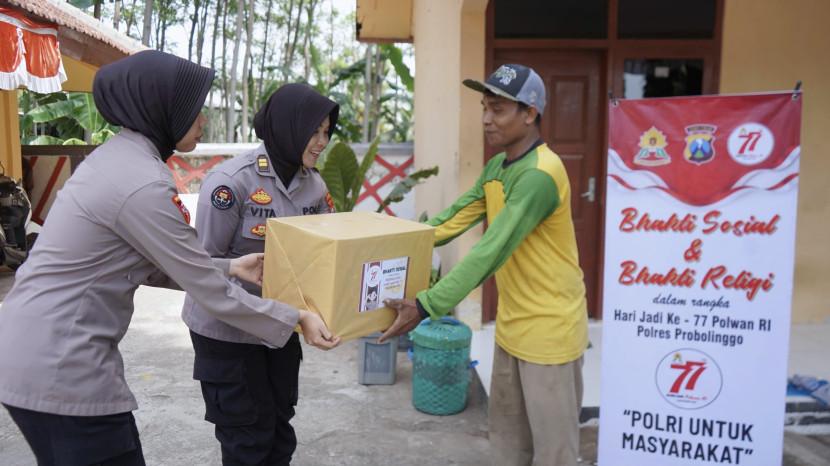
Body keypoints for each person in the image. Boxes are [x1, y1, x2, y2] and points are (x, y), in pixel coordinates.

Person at [0, 50, 338, 466]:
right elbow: (210, 292)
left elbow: (152, 263)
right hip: (61, 362)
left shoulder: (118, 160)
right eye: (194, 109)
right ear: (162, 107)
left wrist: (231, 266)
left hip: (35, 350)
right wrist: (295, 317)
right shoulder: (144, 183)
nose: (203, 120)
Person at [380, 64, 589, 466]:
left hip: (551, 333)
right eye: (484, 108)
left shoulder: (541, 174)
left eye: (498, 109)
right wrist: (389, 241)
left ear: (530, 113)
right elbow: (452, 219)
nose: (486, 119)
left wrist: (425, 305)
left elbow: (490, 251)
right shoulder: (497, 168)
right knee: (508, 446)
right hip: (512, 327)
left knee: (554, 455)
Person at [182, 83, 338, 465]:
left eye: (326, 132)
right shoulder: (230, 183)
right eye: (314, 131)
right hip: (227, 332)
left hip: (281, 327)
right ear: (289, 127)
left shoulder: (314, 186)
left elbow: (325, 254)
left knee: (279, 433)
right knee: (247, 440)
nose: (321, 142)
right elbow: (203, 269)